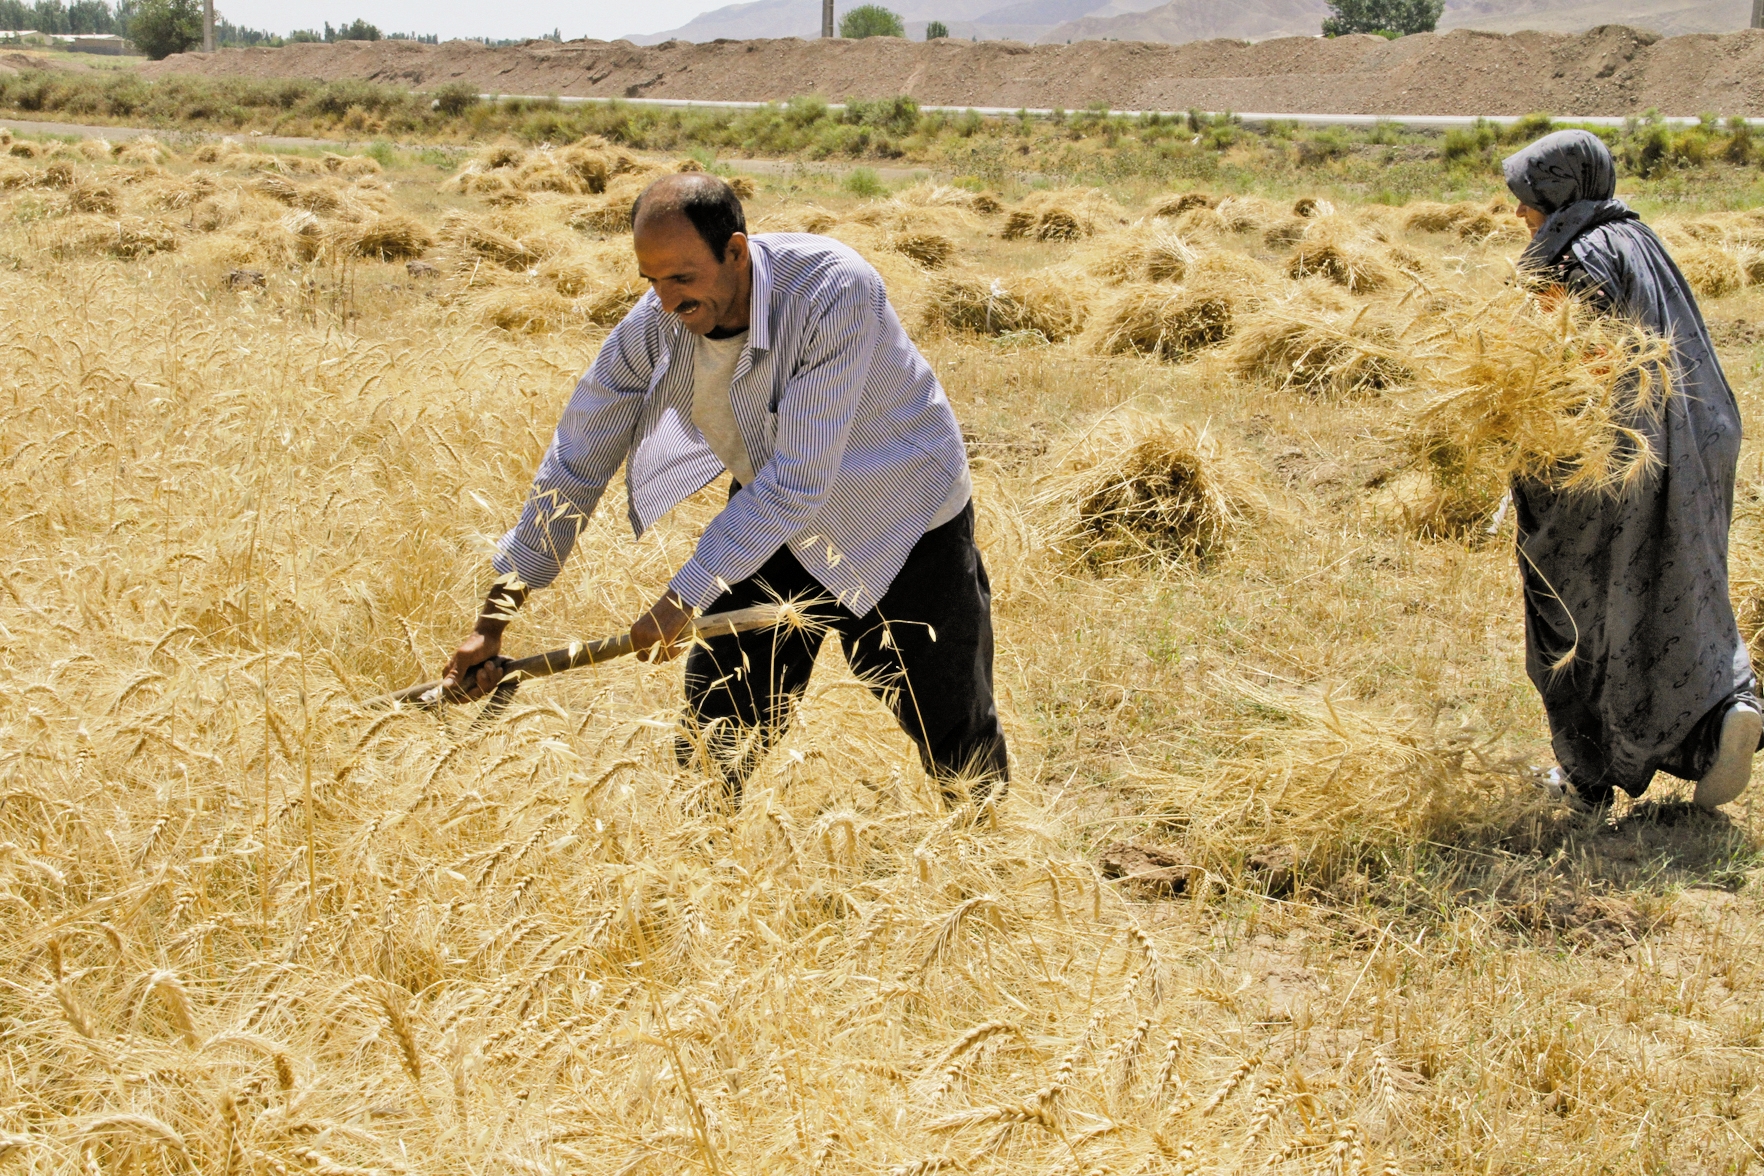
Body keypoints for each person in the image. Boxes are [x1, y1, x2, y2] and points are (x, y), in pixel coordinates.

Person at [440, 172, 1008, 803]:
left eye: (681, 277)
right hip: (770, 521)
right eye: (650, 280)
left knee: (948, 717)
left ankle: (983, 859)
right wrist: (493, 622)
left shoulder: (832, 291)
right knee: (720, 722)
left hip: (903, 512)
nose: (664, 300)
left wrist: (682, 599)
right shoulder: (653, 330)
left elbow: (800, 479)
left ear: (736, 252)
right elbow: (574, 466)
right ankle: (702, 863)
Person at [1504, 129, 1759, 811]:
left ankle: (1586, 780)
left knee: (1572, 616)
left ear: (1558, 192)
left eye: (1527, 197)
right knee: (1676, 589)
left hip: (1615, 454)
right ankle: (1720, 719)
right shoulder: (1636, 237)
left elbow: (1583, 368)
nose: (1519, 212)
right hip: (1697, 438)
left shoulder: (1568, 256)